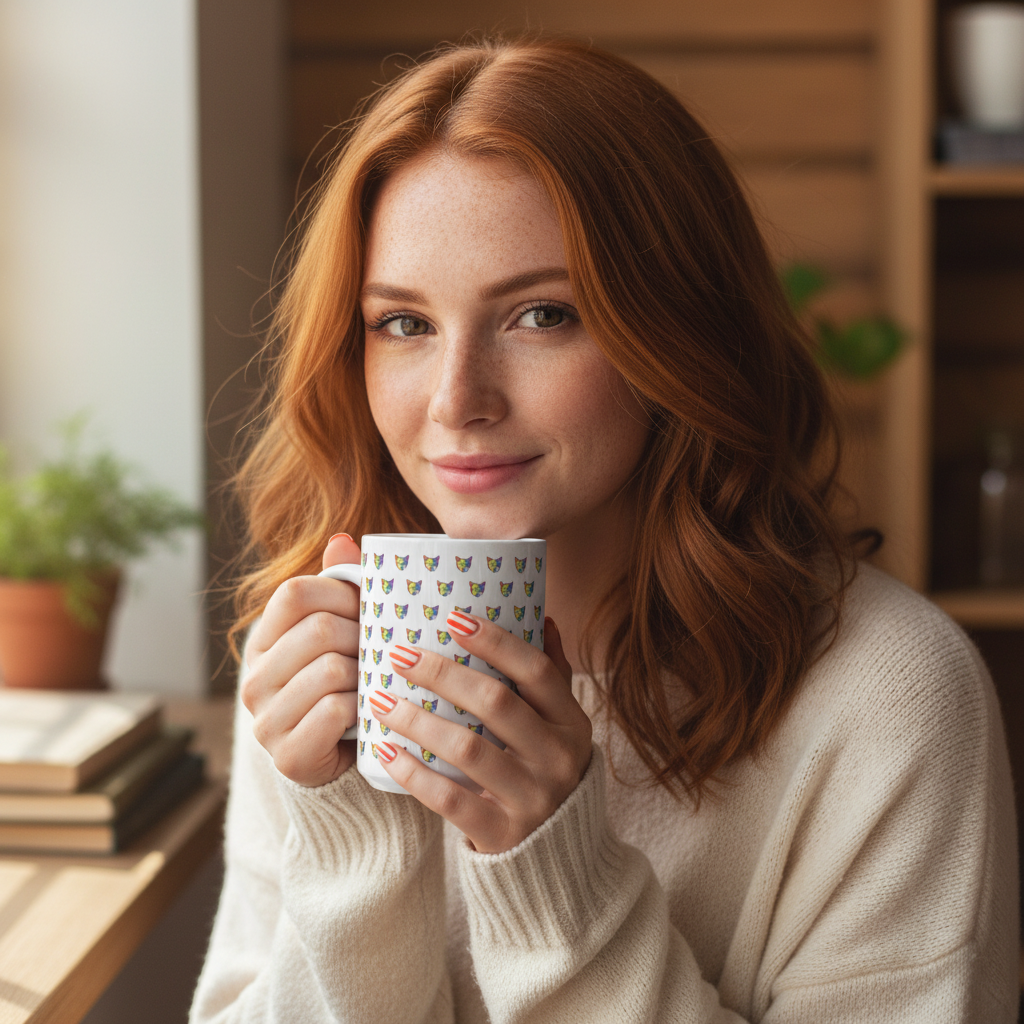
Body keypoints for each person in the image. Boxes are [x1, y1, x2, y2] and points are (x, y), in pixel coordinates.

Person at [190, 36, 1018, 1023]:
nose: (456, 401)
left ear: (674, 332)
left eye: (541, 314)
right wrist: (353, 842)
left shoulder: (885, 700)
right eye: (403, 324)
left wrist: (557, 887)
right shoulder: (319, 659)